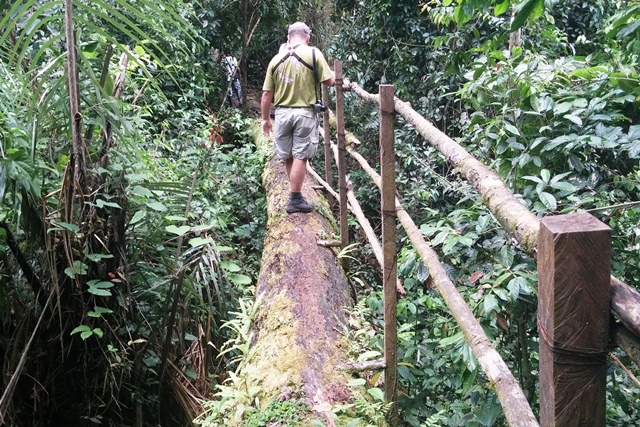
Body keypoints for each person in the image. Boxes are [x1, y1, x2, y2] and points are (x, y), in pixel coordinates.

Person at [261, 22, 335, 214]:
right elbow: (329, 81)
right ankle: (295, 198)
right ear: (307, 38)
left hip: (282, 113)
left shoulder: (276, 59)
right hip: (304, 113)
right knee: (301, 155)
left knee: (288, 155)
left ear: (288, 38)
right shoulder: (313, 53)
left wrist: (265, 119)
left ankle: (295, 194)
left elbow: (267, 94)